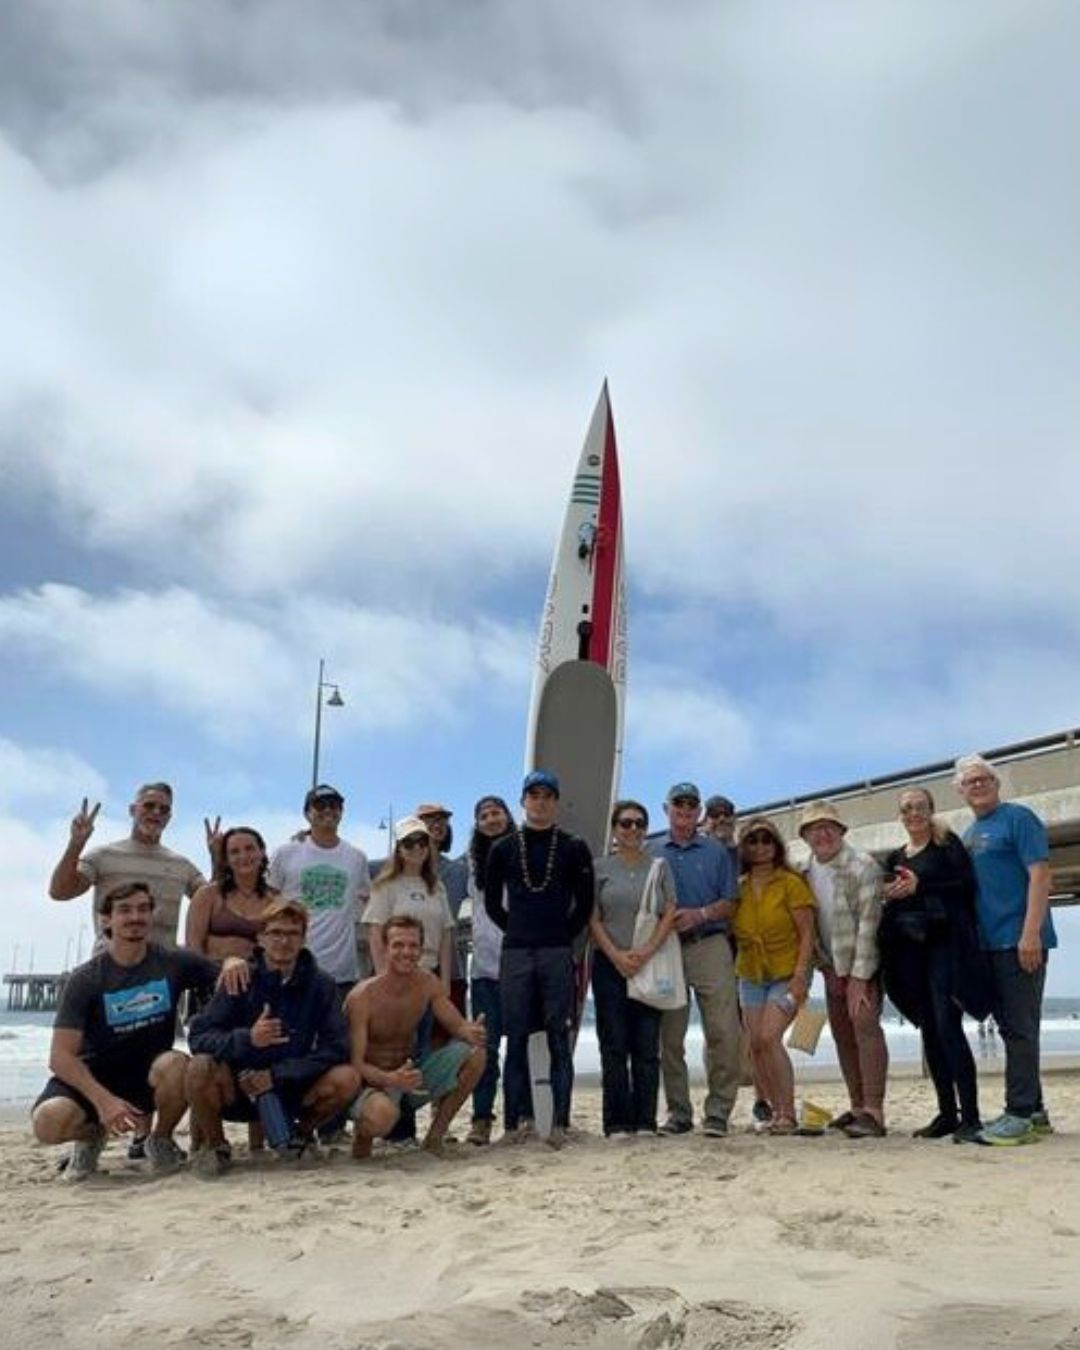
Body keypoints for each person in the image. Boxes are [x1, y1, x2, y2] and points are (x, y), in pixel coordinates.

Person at [31, 881, 235, 1180]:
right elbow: (60, 1057)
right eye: (124, 910)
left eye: (142, 909)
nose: (135, 917)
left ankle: (160, 1139)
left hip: (149, 1074)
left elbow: (224, 971)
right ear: (107, 920)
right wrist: (104, 1102)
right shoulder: (86, 979)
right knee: (48, 1123)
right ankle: (91, 1137)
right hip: (95, 1077)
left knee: (178, 1064)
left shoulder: (172, 962)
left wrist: (232, 962)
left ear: (152, 916)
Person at [186, 900, 359, 1176]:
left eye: (292, 933)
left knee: (347, 1078)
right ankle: (216, 1146)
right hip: (239, 1087)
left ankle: (302, 1135)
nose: (284, 941)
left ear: (304, 939)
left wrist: (277, 1074)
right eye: (276, 932)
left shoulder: (321, 984)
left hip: (292, 1085)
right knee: (198, 1067)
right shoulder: (240, 977)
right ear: (261, 938)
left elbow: (337, 1048)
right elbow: (198, 1037)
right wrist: (248, 1039)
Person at [484, 770, 594, 1148]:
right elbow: (492, 904)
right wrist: (517, 929)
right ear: (523, 801)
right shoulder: (503, 849)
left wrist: (562, 934)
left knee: (558, 1037)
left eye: (548, 796)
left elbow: (585, 903)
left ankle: (560, 1124)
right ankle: (514, 1124)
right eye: (534, 795)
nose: (541, 802)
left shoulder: (573, 847)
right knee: (515, 1038)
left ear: (556, 802)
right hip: (516, 952)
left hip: (556, 951)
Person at [956, 754, 1056, 1146]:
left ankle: (1019, 1115)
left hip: (1020, 941)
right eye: (970, 781)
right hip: (989, 944)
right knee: (1012, 1028)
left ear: (997, 784)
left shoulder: (1018, 818)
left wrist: (1030, 934)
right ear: (961, 791)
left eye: (985, 779)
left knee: (1020, 1028)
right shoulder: (969, 833)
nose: (978, 785)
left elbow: (1040, 875)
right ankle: (1035, 1112)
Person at [880, 787, 989, 1144]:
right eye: (907, 808)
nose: (913, 813)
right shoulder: (896, 856)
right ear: (900, 815)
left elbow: (966, 886)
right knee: (929, 1030)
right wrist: (891, 895)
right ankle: (946, 1113)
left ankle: (971, 1117)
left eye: (920, 807)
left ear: (931, 810)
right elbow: (893, 901)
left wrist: (921, 885)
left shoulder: (947, 845)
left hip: (945, 947)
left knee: (947, 1026)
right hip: (910, 952)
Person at [346, 915, 486, 1158]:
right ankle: (363, 1137)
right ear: (385, 949)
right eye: (398, 945)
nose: (406, 952)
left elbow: (457, 1025)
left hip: (410, 1075)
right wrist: (390, 1079)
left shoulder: (427, 983)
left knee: (476, 1054)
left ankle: (435, 1137)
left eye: (413, 946)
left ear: (422, 950)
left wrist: (471, 1031)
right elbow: (355, 1063)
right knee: (382, 1117)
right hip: (371, 1082)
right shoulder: (362, 997)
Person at [650, 781, 741, 1137]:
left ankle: (718, 1112)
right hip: (667, 949)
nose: (685, 810)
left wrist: (700, 914)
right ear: (667, 809)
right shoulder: (651, 851)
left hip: (711, 945)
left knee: (723, 1031)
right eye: (679, 804)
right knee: (670, 1038)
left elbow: (731, 903)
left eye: (691, 805)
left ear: (699, 812)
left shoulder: (717, 852)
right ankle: (679, 1113)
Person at [797, 800, 887, 1138]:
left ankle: (874, 1111)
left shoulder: (863, 866)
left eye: (828, 827)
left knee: (864, 1027)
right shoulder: (804, 871)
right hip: (830, 966)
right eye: (814, 829)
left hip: (863, 965)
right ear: (805, 836)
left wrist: (859, 978)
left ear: (840, 831)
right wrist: (823, 969)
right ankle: (857, 1107)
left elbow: (869, 925)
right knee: (842, 1035)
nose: (822, 834)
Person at [590, 799, 677, 1136]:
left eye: (640, 823)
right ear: (614, 829)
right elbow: (592, 918)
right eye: (626, 823)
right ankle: (616, 1122)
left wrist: (645, 951)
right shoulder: (600, 868)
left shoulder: (659, 866)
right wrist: (616, 955)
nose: (633, 829)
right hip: (609, 963)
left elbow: (669, 912)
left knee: (646, 1045)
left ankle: (645, 1121)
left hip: (649, 962)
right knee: (613, 1045)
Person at [731, 817, 815, 1135]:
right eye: (753, 841)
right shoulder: (737, 887)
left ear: (776, 845)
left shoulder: (791, 883)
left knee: (769, 1037)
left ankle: (787, 1112)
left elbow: (807, 934)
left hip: (787, 973)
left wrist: (800, 976)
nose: (760, 846)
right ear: (744, 848)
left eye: (766, 839)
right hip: (750, 974)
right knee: (755, 1044)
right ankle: (770, 1108)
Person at [49, 783, 206, 950]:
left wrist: (217, 860)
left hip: (163, 964)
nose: (156, 812)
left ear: (169, 818)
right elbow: (60, 892)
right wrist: (75, 845)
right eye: (149, 805)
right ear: (132, 810)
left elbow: (216, 902)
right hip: (109, 963)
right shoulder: (102, 856)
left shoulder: (183, 866)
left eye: (164, 809)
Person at [267, 784, 371, 1002]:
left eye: (334, 805)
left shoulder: (357, 858)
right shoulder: (284, 853)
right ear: (307, 813)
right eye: (320, 805)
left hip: (341, 976)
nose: (328, 810)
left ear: (341, 811)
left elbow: (366, 902)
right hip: (291, 970)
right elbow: (266, 904)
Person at [464, 794, 518, 1145]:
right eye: (484, 816)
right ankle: (481, 1120)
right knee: (485, 1050)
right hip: (483, 969)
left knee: (519, 1048)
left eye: (496, 812)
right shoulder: (471, 863)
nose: (491, 819)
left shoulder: (524, 852)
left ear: (508, 816)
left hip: (520, 964)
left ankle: (516, 1119)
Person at [364, 817, 455, 989]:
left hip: (430, 975)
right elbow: (375, 934)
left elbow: (445, 935)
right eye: (408, 843)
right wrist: (384, 980)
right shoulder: (384, 885)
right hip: (396, 975)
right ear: (398, 849)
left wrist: (445, 983)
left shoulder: (437, 887)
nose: (417, 848)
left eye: (422, 842)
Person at [185, 826, 278, 962]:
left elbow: (279, 949)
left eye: (249, 849)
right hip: (210, 972)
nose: (243, 856)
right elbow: (193, 948)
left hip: (259, 973)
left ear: (262, 852)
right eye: (235, 852)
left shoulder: (276, 901)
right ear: (226, 860)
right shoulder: (208, 895)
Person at [416, 803, 471, 1014]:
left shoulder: (460, 871)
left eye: (442, 820)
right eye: (429, 820)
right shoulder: (391, 869)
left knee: (452, 1033)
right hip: (407, 969)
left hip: (450, 972)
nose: (437, 824)